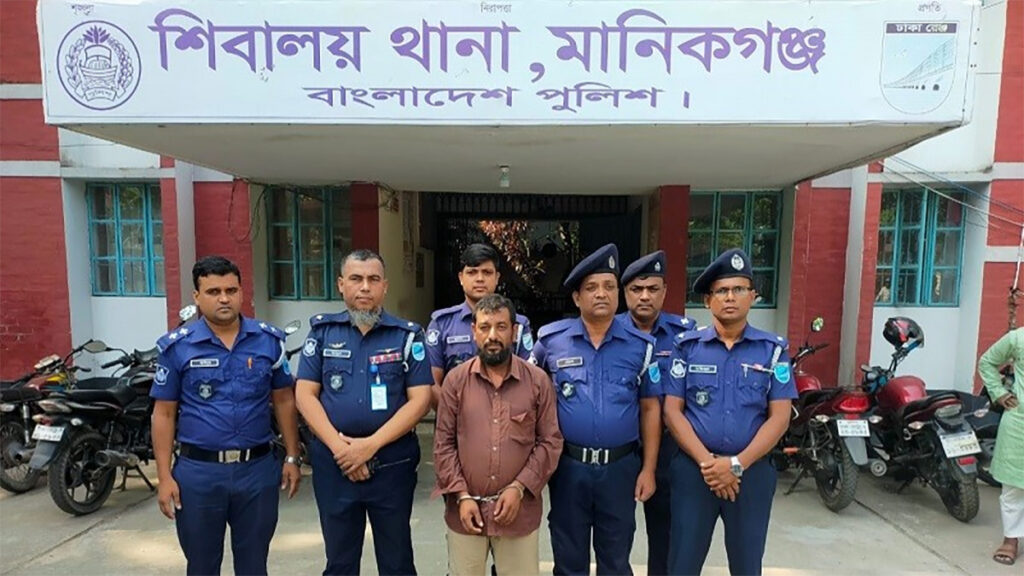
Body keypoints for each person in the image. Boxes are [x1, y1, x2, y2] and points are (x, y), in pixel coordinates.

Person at [151, 256, 302, 576]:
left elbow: (284, 400)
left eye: (231, 290)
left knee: (254, 565)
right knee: (202, 566)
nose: (224, 298)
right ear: (197, 296)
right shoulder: (178, 347)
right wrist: (164, 477)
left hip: (256, 470)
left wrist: (292, 456)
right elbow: (163, 413)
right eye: (213, 291)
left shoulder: (268, 341)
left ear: (241, 292)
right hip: (199, 474)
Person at [295, 249, 432, 576]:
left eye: (373, 279)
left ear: (385, 286)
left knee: (397, 560)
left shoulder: (407, 336)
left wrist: (369, 446)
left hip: (391, 462)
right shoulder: (322, 333)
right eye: (356, 279)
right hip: (335, 463)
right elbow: (304, 394)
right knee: (340, 561)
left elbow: (420, 400)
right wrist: (342, 450)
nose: (365, 287)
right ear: (341, 284)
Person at [529, 243, 661, 576]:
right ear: (577, 298)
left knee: (615, 559)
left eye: (609, 286)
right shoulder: (551, 341)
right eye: (591, 288)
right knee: (568, 556)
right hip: (568, 467)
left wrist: (648, 469)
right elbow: (529, 397)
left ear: (618, 294)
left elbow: (650, 409)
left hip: (620, 469)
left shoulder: (641, 347)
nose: (601, 294)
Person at [663, 248, 796, 576]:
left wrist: (736, 465)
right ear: (708, 301)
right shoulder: (687, 347)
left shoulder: (773, 350)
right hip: (696, 472)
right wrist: (710, 465)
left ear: (753, 296)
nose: (730, 297)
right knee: (682, 564)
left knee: (747, 564)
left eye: (739, 289)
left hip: (751, 473)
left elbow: (780, 416)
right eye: (721, 291)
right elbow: (672, 412)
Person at [434, 293, 563, 576]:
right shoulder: (456, 381)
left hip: (519, 513)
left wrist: (519, 487)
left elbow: (550, 442)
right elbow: (443, 444)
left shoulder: (537, 381)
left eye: (501, 327)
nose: (493, 335)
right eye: (485, 327)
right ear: (474, 331)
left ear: (514, 331)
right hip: (466, 513)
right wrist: (461, 495)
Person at [617, 251, 695, 576]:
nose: (645, 296)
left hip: (668, 449)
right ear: (625, 293)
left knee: (666, 536)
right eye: (636, 289)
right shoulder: (609, 331)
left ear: (665, 292)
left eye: (652, 289)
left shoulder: (685, 336)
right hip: (620, 447)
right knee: (615, 535)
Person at [427, 243, 534, 407]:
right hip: (455, 417)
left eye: (487, 272)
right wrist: (458, 414)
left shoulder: (518, 325)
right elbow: (431, 383)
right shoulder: (442, 324)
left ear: (497, 278)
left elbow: (529, 380)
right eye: (472, 272)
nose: (479, 279)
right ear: (461, 278)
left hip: (508, 416)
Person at [977, 327, 1024, 566]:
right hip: (1019, 423)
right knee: (1013, 486)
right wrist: (999, 392)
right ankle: (1011, 539)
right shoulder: (1018, 338)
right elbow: (987, 362)